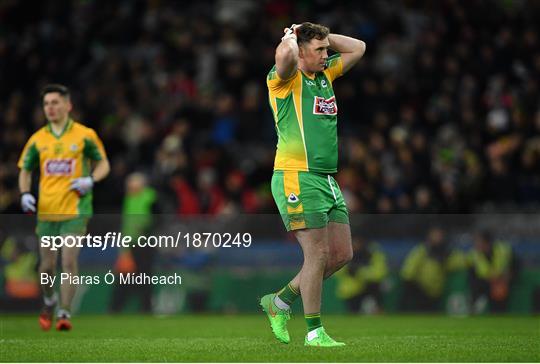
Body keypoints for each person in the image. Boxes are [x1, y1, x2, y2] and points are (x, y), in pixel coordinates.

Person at [260, 22, 366, 347]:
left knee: (341, 254)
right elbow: (283, 58)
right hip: (296, 174)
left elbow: (358, 47)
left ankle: (279, 302)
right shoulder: (284, 80)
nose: (326, 54)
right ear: (301, 51)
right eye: (318, 50)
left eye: (325, 49)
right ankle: (314, 332)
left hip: (326, 178)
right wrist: (292, 39)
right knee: (317, 253)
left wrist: (323, 36)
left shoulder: (325, 75)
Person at [18, 84, 110, 331]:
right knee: (46, 266)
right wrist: (25, 193)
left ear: (68, 105)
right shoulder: (38, 140)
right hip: (47, 211)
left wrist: (91, 179)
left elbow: (103, 165)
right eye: (47, 103)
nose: (50, 107)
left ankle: (65, 312)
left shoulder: (84, 136)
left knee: (68, 260)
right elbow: (25, 171)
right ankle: (50, 300)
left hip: (75, 210)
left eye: (55, 102)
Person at [400, 227, 465, 311]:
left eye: (439, 235)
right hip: (420, 287)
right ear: (429, 237)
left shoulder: (447, 252)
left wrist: (447, 258)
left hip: (436, 291)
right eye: (435, 235)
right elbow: (409, 269)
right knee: (408, 290)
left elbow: (460, 262)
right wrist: (408, 278)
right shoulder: (422, 250)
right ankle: (402, 311)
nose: (437, 238)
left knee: (431, 311)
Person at [335, 237, 388, 313]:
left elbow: (379, 273)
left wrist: (359, 272)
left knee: (378, 286)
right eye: (353, 242)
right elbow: (337, 271)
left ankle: (376, 310)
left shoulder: (373, 254)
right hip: (351, 291)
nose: (355, 244)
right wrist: (349, 270)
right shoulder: (345, 254)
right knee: (354, 313)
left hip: (370, 287)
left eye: (357, 242)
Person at [469, 231, 518, 313]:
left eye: (478, 241)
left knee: (499, 301)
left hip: (501, 284)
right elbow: (471, 275)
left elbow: (516, 265)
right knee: (475, 296)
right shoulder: (474, 254)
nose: (476, 244)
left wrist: (510, 276)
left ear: (487, 242)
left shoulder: (503, 250)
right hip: (484, 285)